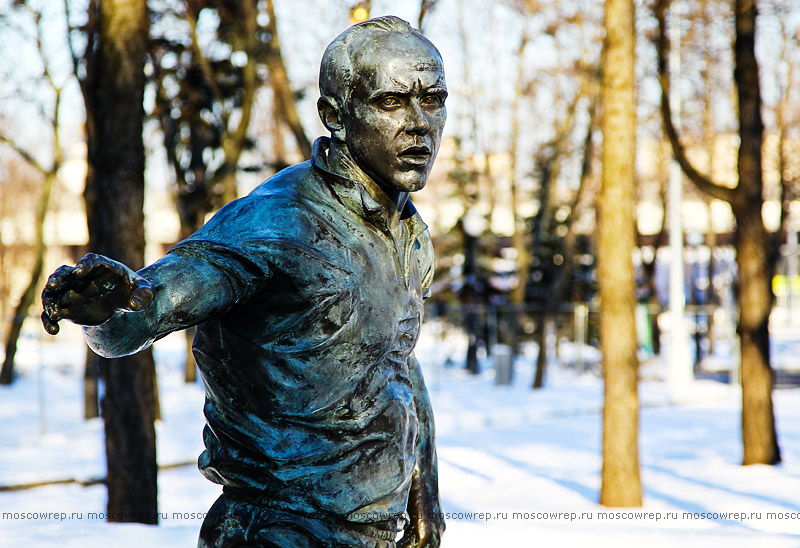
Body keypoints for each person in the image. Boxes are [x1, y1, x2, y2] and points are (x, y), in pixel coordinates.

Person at [41, 15, 446, 548]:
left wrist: (425, 496)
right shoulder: (278, 220)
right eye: (391, 102)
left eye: (433, 99)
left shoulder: (409, 234)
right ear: (335, 115)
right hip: (280, 531)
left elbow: (396, 358)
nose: (420, 123)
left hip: (376, 531)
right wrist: (120, 303)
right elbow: (157, 302)